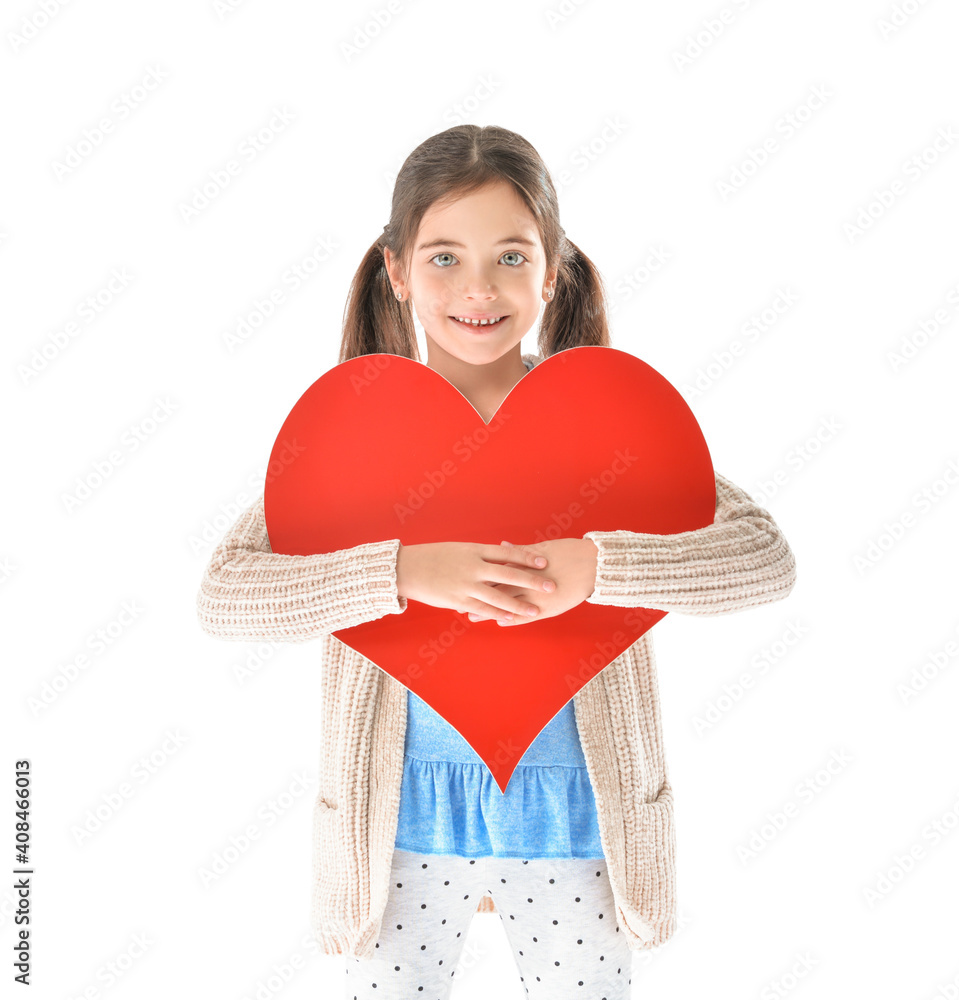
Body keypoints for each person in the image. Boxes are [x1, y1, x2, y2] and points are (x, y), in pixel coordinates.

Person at [196, 124, 797, 1000]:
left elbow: (762, 556)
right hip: (394, 826)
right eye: (443, 258)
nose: (477, 287)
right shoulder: (357, 439)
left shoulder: (604, 428)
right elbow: (226, 594)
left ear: (551, 269)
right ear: (396, 271)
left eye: (510, 256)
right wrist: (401, 570)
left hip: (578, 820)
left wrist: (598, 567)